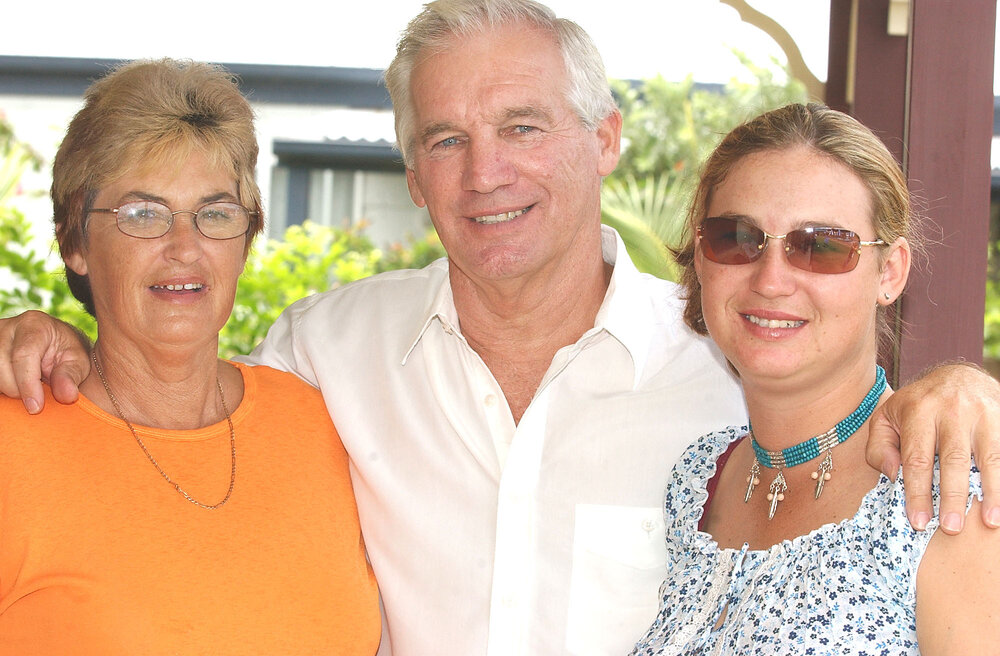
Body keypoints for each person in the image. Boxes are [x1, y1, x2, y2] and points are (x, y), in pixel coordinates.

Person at [1, 2, 998, 654]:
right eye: (446, 138)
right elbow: (163, 389)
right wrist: (53, 335)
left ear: (603, 138)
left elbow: (839, 383)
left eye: (522, 126)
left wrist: (963, 389)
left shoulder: (726, 364)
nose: (485, 172)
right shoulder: (322, 356)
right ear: (413, 169)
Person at [0, 59, 380, 654]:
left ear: (246, 241)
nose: (185, 248)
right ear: (74, 242)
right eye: (143, 214)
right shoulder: (14, 438)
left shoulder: (326, 426)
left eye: (215, 214)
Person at [630, 103, 999, 655]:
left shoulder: (948, 490)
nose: (772, 280)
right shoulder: (696, 481)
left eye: (821, 246)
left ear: (890, 272)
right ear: (702, 260)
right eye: (736, 237)